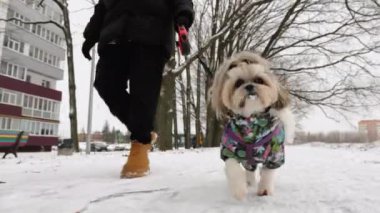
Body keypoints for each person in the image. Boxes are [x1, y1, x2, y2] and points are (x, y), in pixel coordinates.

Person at [82, 0, 194, 178]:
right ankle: (144, 130)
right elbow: (103, 6)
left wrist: (182, 18)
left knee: (143, 92)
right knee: (105, 83)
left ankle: (140, 144)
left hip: (152, 35)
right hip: (114, 34)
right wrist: (90, 35)